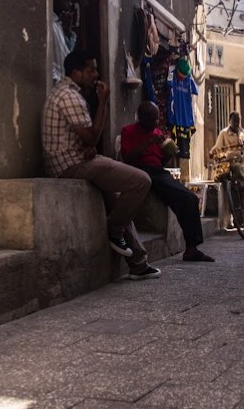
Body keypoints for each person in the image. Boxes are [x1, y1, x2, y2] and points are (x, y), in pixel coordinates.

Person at [42, 50, 160, 280]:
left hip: (74, 159)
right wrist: (104, 101)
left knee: (115, 197)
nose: (96, 74)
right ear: (75, 72)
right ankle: (114, 230)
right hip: (69, 166)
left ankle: (137, 262)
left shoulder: (68, 94)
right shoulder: (69, 96)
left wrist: (88, 146)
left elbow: (83, 139)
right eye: (91, 70)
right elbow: (92, 136)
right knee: (140, 181)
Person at [121, 102, 215, 263]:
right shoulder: (128, 131)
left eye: (157, 119)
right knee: (184, 198)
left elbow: (161, 162)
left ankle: (192, 247)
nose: (155, 123)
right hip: (140, 171)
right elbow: (127, 158)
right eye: (152, 119)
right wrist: (149, 142)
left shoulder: (157, 132)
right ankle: (191, 250)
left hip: (158, 172)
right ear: (141, 118)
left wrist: (169, 152)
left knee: (189, 198)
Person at [51, 0, 77, 84]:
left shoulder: (61, 23)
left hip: (63, 82)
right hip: (55, 81)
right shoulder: (50, 23)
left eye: (71, 1)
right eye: (67, 0)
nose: (70, 5)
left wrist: (67, 30)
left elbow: (68, 53)